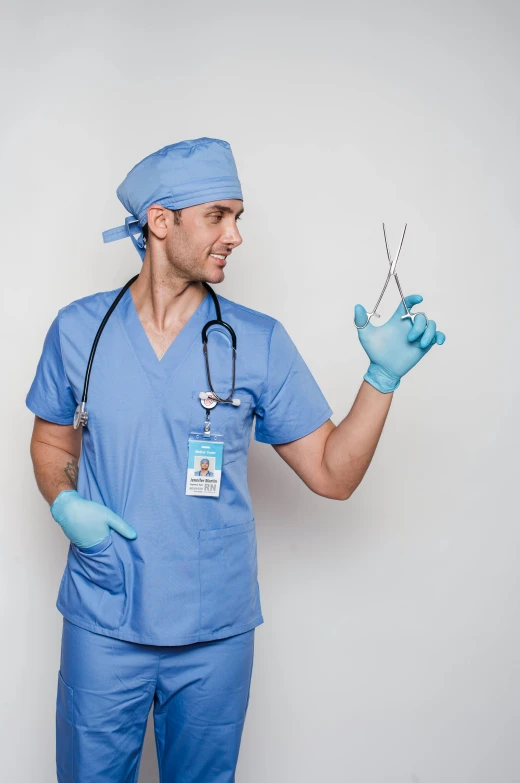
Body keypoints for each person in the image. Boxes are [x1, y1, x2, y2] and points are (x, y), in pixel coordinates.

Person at [26, 137, 446, 782]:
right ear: (161, 222)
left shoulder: (258, 341)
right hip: (105, 618)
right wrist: (63, 500)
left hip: (212, 632)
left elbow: (333, 475)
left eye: (238, 217)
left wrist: (380, 379)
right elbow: (53, 440)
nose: (236, 236)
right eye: (218, 215)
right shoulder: (79, 331)